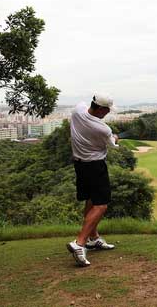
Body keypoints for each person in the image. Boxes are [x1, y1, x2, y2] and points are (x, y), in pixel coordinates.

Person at [66, 93, 119, 266]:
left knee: (90, 200)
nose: (108, 113)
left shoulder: (77, 110)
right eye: (107, 110)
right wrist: (115, 138)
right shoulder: (103, 129)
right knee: (101, 205)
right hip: (95, 166)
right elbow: (112, 144)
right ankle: (79, 243)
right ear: (102, 109)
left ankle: (93, 238)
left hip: (79, 165)